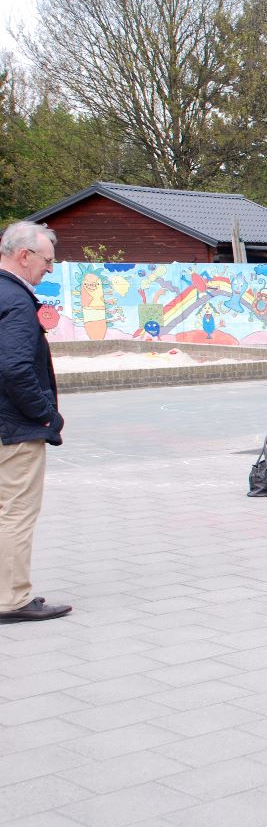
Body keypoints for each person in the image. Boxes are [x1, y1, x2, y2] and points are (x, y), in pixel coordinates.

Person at [0, 221, 71, 623]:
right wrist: (45, 413)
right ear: (23, 255)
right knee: (16, 511)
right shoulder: (15, 301)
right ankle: (11, 599)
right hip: (14, 428)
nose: (49, 269)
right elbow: (15, 368)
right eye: (47, 261)